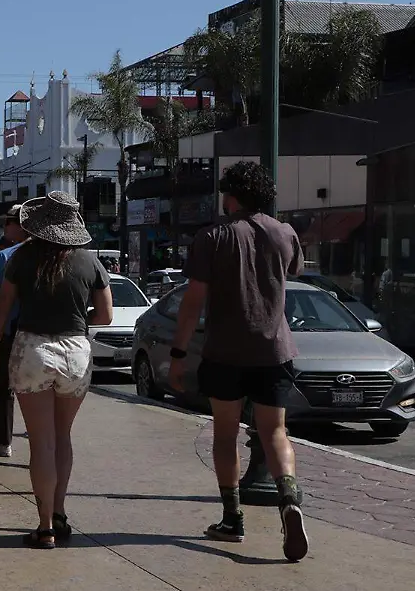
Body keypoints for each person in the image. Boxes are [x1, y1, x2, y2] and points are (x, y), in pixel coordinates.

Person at [168, 161, 308, 562]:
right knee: (275, 431)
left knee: (225, 434)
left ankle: (232, 519)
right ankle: (289, 499)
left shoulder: (213, 237)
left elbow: (193, 301)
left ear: (230, 196)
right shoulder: (285, 233)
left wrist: (178, 353)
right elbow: (292, 274)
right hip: (274, 350)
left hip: (225, 352)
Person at [0, 192, 113, 549]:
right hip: (75, 351)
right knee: (63, 436)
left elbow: (2, 308)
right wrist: (77, 319)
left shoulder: (22, 257)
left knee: (41, 442)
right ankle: (60, 513)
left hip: (32, 349)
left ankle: (44, 528)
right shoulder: (89, 261)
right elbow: (105, 316)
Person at [0, 204, 28, 458]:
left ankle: (4, 441)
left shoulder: (5, 257)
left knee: (6, 388)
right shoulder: (47, 255)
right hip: (39, 331)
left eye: (8, 222)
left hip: (11, 331)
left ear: (19, 225)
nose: (5, 227)